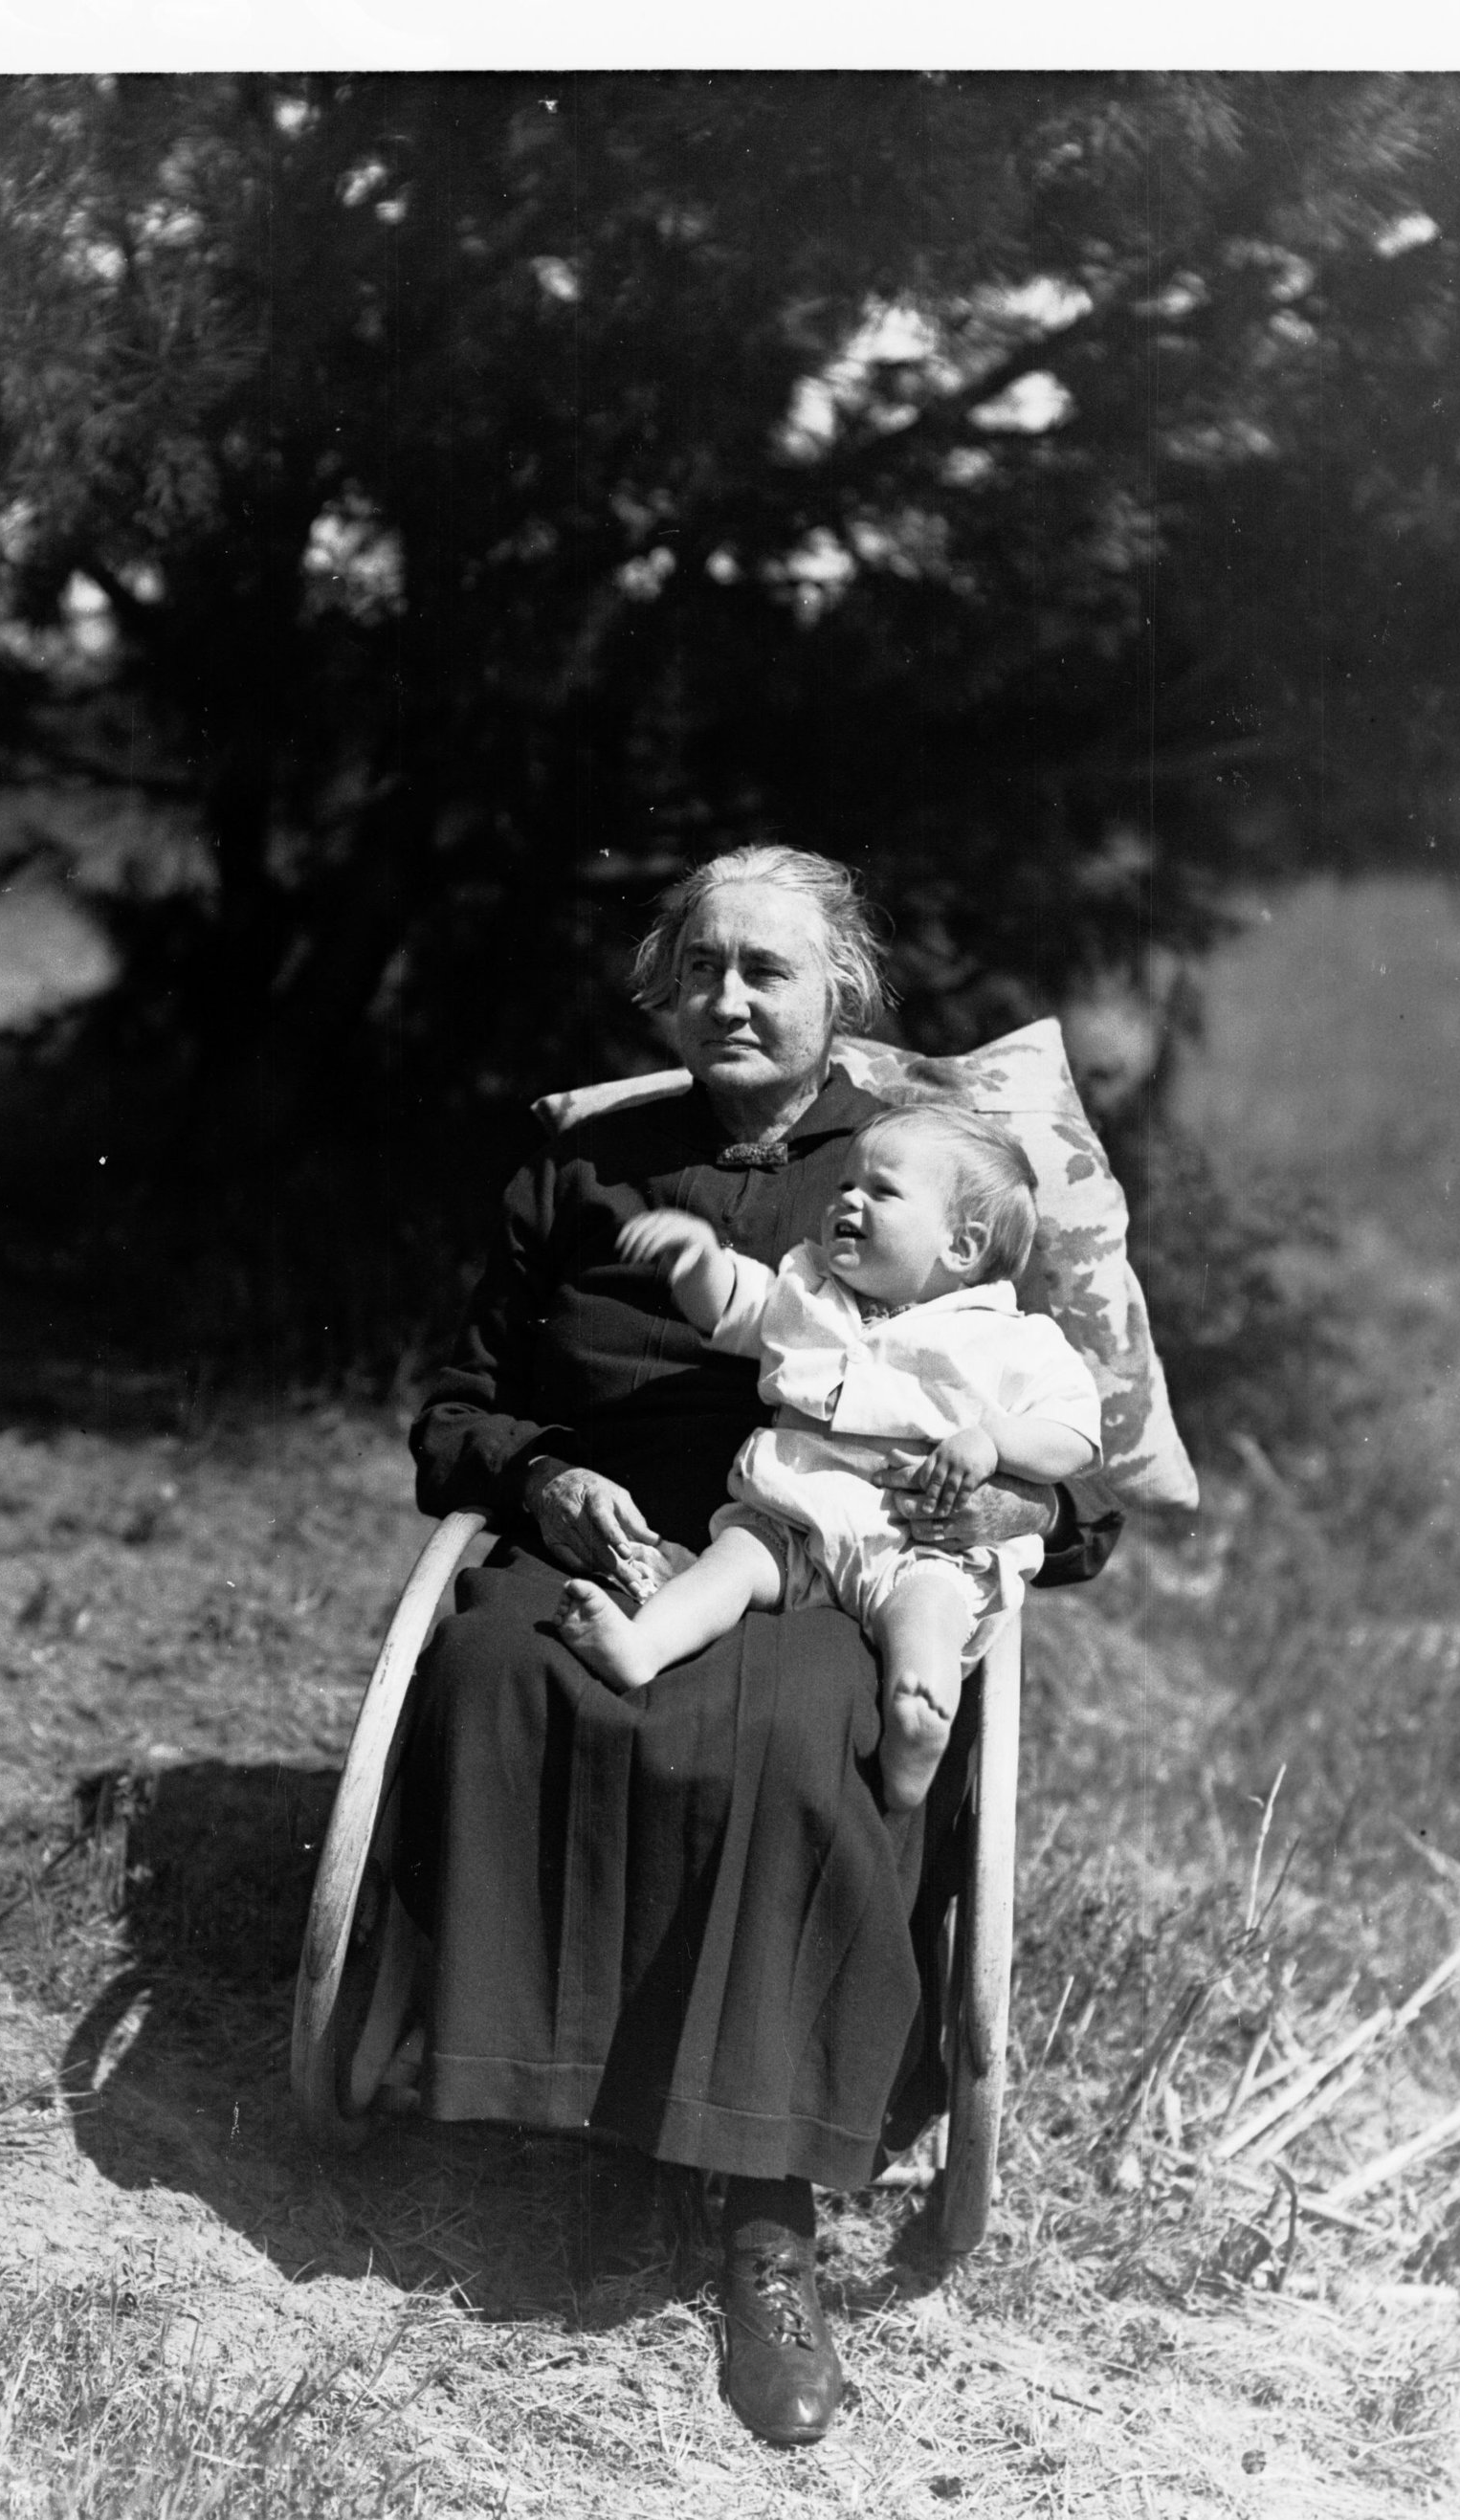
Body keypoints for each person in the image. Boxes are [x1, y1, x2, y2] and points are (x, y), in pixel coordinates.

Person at [395, 846, 1120, 2447]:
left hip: (845, 1555)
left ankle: (761, 2205)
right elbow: (452, 1411)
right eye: (704, 965)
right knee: (502, 1666)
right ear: (665, 982)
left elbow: (1080, 1496)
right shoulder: (583, 1164)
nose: (731, 996)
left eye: (769, 970)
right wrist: (544, 1475)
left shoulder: (925, 1170)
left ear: (841, 994)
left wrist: (987, 1478)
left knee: (808, 1732)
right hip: (624, 1538)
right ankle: (588, 2130)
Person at [552, 1101, 1101, 1811]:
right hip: (793, 1521)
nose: (847, 1198)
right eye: (846, 1184)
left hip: (916, 1544)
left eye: (882, 1190)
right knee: (733, 1562)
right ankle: (642, 1647)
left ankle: (918, 1717)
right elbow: (731, 1308)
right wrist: (698, 1259)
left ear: (960, 1248)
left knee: (928, 1613)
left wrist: (994, 1439)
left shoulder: (1011, 1340)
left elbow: (1076, 1436)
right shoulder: (809, 1291)